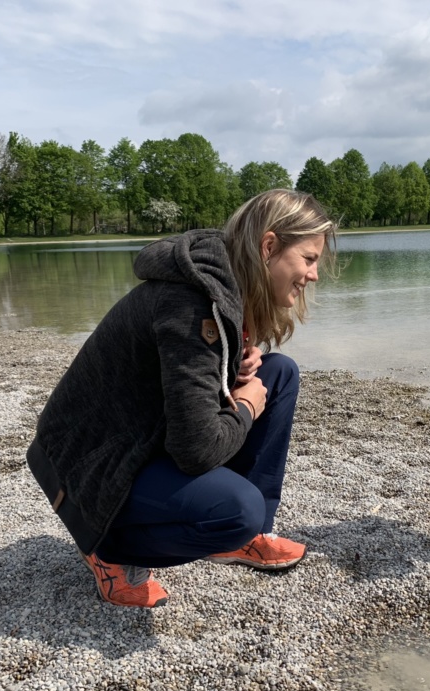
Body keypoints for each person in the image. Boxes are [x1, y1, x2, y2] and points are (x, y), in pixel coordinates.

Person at [26, 189, 336, 607]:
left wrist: (229, 370)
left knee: (279, 373)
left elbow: (182, 380)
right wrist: (246, 404)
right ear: (268, 247)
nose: (314, 274)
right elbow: (195, 450)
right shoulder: (190, 304)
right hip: (88, 467)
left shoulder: (219, 287)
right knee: (235, 509)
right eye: (309, 258)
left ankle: (249, 537)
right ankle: (108, 548)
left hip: (138, 437)